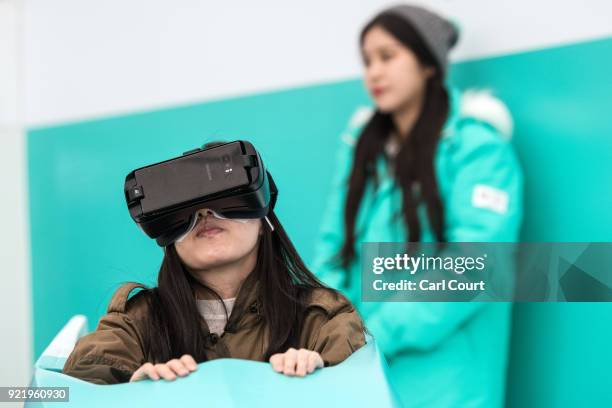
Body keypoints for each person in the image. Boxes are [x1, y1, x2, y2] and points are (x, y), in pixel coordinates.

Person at [312, 4, 523, 407]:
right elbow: (331, 250)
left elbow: (476, 261)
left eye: (388, 57)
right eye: (367, 60)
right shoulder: (360, 152)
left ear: (428, 64)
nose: (373, 72)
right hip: (363, 373)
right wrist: (329, 330)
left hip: (447, 379)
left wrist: (376, 334)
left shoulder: (478, 147)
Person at [63, 165, 366, 385]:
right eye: (187, 208)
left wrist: (322, 374)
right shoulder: (137, 320)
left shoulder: (322, 316)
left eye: (225, 199)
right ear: (170, 237)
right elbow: (77, 384)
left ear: (263, 219)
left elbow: (361, 389)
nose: (206, 214)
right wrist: (130, 392)